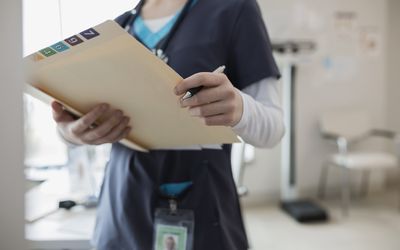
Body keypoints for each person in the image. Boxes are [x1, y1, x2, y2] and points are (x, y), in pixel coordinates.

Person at [51, 0, 285, 249]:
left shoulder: (233, 9)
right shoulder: (117, 28)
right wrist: (70, 135)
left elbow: (274, 129)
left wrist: (241, 109)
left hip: (202, 205)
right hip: (121, 205)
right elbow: (78, 118)